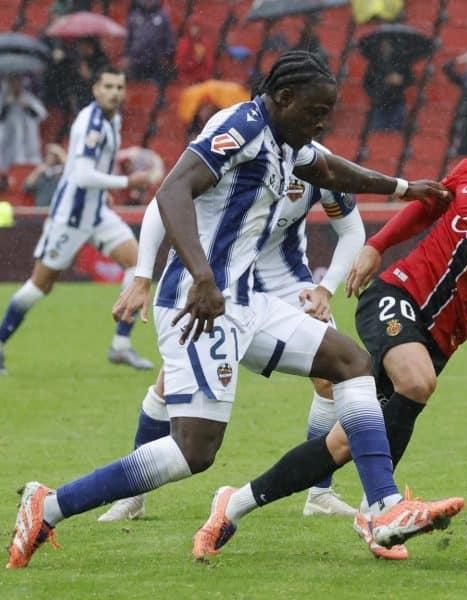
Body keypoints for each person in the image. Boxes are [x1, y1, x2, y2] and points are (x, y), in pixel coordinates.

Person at [5, 51, 464, 569]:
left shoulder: (287, 142)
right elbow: (174, 189)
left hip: (246, 301)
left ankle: (383, 507)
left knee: (351, 363)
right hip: (197, 304)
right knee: (193, 453)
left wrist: (404, 188)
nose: (321, 122)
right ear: (284, 98)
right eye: (316, 111)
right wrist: (198, 275)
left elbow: (332, 169)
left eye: (327, 113)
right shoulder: (242, 125)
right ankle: (50, 505)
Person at [196, 108, 467, 562]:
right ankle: (380, 512)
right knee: (417, 382)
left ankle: (235, 503)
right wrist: (376, 245)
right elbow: (430, 205)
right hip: (395, 295)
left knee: (344, 443)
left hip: (439, 342)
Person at [97, 143, 367, 523]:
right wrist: (143, 274)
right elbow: (166, 198)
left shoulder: (318, 162)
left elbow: (352, 230)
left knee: (332, 379)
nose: (315, 125)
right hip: (222, 285)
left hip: (287, 286)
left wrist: (326, 288)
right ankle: (132, 497)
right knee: (167, 385)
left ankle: (319, 493)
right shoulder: (237, 145)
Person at [0, 66, 154, 377]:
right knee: (40, 286)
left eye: (119, 87)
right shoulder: (92, 122)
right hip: (70, 216)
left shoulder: (112, 119)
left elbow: (90, 170)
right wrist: (127, 182)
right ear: (96, 90)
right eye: (109, 86)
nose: (115, 92)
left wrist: (106, 192)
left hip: (96, 211)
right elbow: (83, 175)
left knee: (139, 265)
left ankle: (120, 346)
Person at [0, 75, 48, 185]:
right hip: (6, 143)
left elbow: (42, 116)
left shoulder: (27, 97)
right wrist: (6, 106)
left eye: (17, 81)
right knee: (7, 171)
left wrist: (26, 106)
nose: (15, 85)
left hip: (28, 142)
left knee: (27, 172)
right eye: (12, 82)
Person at [363, 38, 414, 131]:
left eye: (389, 44)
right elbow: (367, 82)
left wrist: (401, 79)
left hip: (396, 101)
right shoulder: (374, 63)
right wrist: (384, 81)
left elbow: (410, 79)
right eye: (384, 44)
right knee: (377, 134)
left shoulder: (401, 62)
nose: (386, 46)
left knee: (395, 134)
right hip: (379, 103)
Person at [123, 0, 175, 85]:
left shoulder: (163, 16)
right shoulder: (134, 16)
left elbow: (169, 39)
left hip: (157, 61)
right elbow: (128, 39)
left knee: (156, 87)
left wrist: (167, 55)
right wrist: (126, 55)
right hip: (137, 61)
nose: (148, 2)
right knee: (137, 88)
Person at [174, 18, 214, 85]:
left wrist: (202, 76)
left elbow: (209, 64)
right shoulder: (184, 43)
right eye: (192, 27)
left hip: (202, 81)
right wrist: (195, 61)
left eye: (196, 27)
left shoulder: (205, 44)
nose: (194, 30)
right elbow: (180, 64)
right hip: (187, 80)